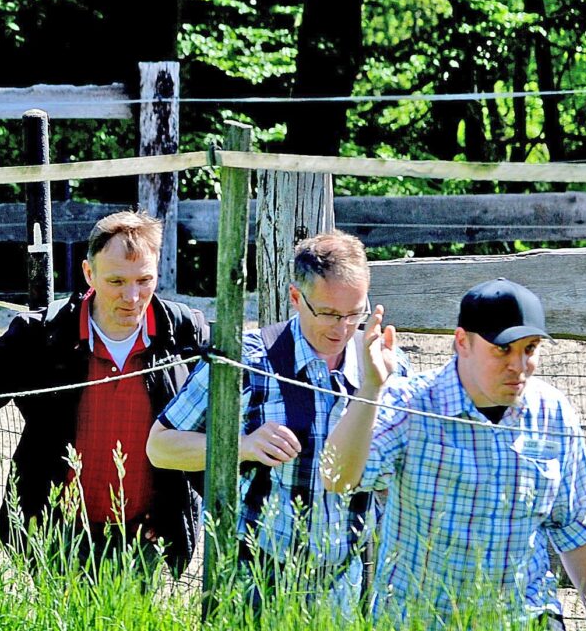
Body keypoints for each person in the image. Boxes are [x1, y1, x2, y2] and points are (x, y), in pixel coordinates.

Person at [0, 211, 211, 574]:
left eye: (145, 280)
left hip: (148, 538)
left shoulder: (186, 333)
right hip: (55, 536)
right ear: (88, 274)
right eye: (116, 281)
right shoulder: (43, 335)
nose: (132, 296)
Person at [321, 279, 586, 631]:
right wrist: (371, 389)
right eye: (502, 350)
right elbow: (337, 477)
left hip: (525, 626)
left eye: (530, 349)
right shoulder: (410, 404)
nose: (518, 366)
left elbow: (577, 528)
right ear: (462, 342)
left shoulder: (552, 414)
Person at [146, 230, 399, 607]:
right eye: (329, 313)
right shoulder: (249, 362)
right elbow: (160, 446)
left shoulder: (383, 368)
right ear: (296, 298)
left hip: (347, 584)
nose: (342, 328)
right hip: (256, 581)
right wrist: (243, 447)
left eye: (354, 313)